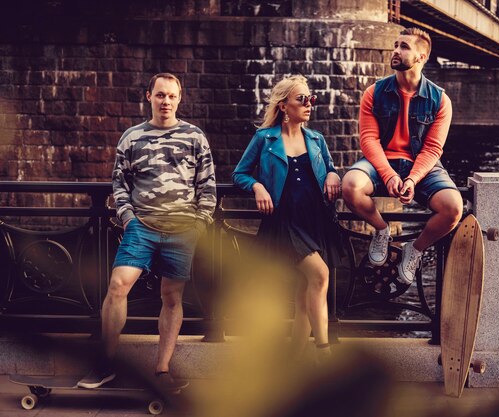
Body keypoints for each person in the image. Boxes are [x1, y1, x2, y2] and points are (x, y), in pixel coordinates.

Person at [77, 73, 216, 388]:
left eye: (171, 96)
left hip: (183, 229)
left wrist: (199, 223)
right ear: (148, 97)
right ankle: (106, 364)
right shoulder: (132, 137)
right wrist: (127, 217)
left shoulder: (196, 137)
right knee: (117, 287)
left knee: (171, 297)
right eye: (160, 95)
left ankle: (162, 370)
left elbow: (207, 185)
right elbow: (120, 182)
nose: (166, 101)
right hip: (142, 227)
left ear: (180, 98)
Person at [232, 75, 342, 363]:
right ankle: (323, 352)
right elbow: (239, 173)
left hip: (315, 219)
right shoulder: (264, 139)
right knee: (320, 275)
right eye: (301, 99)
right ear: (284, 106)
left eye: (310, 99)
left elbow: (331, 169)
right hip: (285, 221)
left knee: (306, 291)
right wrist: (257, 187)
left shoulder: (316, 139)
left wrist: (332, 174)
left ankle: (294, 359)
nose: (309, 105)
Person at [342, 28, 462, 285]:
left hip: (421, 164)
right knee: (350, 186)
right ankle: (382, 230)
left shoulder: (440, 100)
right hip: (381, 162)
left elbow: (432, 148)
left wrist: (413, 179)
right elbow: (369, 140)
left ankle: (415, 249)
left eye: (404, 46)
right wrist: (388, 175)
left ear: (421, 57)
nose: (396, 50)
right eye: (395, 45)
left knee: (453, 208)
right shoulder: (374, 92)